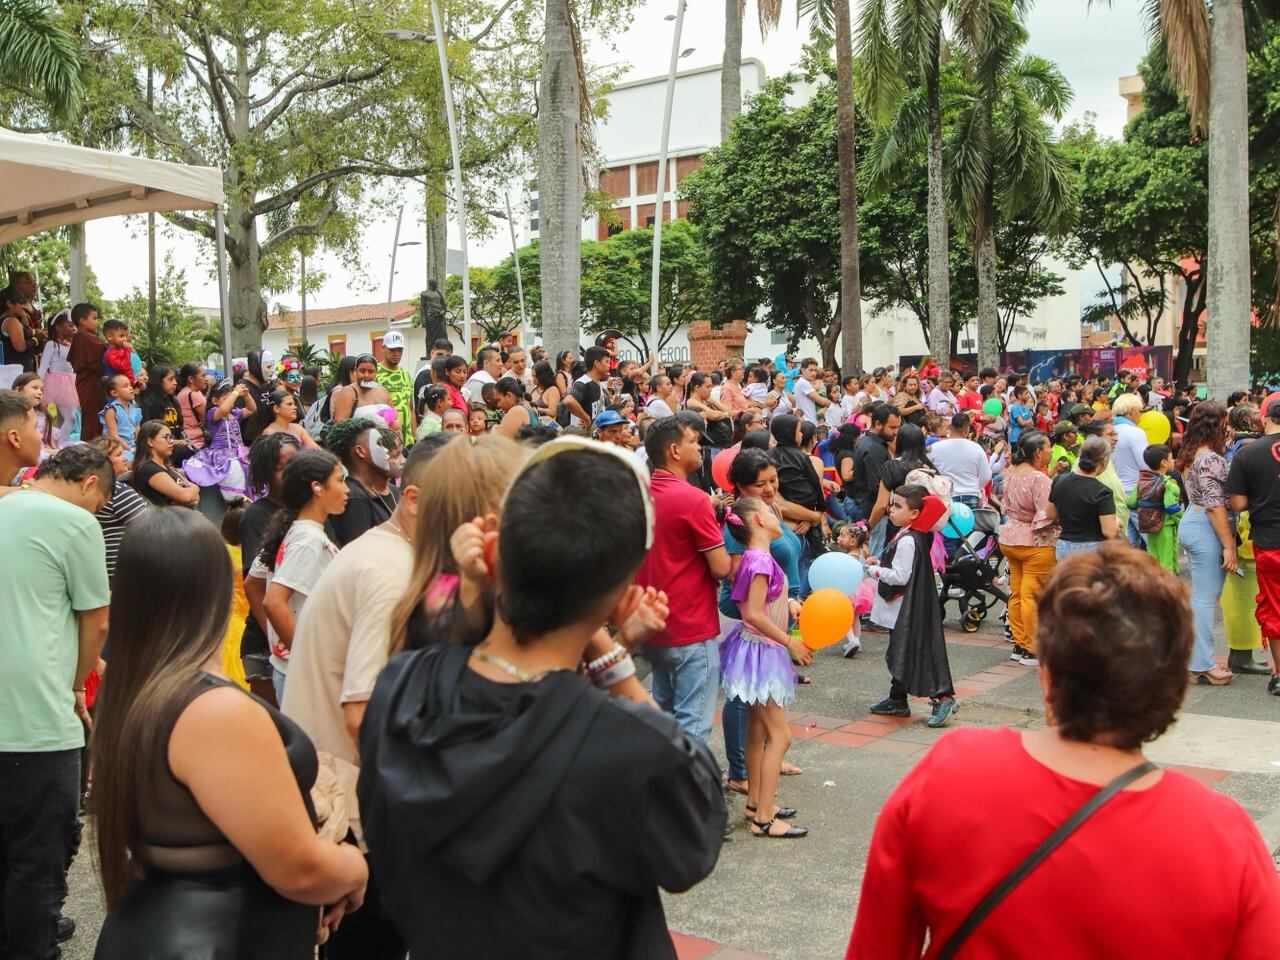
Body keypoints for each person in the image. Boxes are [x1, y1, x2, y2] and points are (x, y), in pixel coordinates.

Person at [358, 437, 724, 959]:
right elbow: (693, 834)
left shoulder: (403, 687)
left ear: (496, 554)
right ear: (622, 595)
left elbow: (425, 618)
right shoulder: (631, 745)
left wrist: (458, 578)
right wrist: (613, 659)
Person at [846, 542, 1280, 960]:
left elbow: (877, 946)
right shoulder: (1224, 838)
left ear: (1048, 674)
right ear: (1173, 687)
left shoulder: (950, 771)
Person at [91, 509, 368, 960]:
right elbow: (298, 867)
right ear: (217, 591)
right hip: (218, 937)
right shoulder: (211, 711)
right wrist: (354, 869)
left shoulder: (136, 690)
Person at [281, 444, 436, 960]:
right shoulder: (390, 573)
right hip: (358, 819)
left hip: (350, 806)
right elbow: (362, 713)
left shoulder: (391, 553)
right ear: (413, 498)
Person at [0, 444, 112, 958]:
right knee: (37, 865)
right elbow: (97, 620)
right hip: (37, 723)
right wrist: (75, 684)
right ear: (89, 482)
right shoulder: (74, 522)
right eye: (100, 503)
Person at [720, 496, 811, 839]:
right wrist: (790, 643)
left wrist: (787, 604)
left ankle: (758, 804)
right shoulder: (760, 560)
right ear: (758, 520)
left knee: (757, 732)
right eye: (770, 511)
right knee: (780, 735)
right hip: (763, 650)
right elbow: (754, 614)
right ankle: (763, 820)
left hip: (754, 649)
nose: (777, 514)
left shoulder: (755, 558)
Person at [635, 417, 731, 742]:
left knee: (661, 714)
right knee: (694, 723)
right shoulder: (693, 499)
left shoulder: (637, 494)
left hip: (651, 624)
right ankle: (686, 789)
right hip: (691, 625)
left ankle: (658, 785)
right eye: (693, 441)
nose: (700, 447)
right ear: (675, 450)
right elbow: (719, 567)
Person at [247, 449, 348, 703]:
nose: (346, 489)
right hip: (303, 675)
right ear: (317, 487)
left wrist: (276, 639)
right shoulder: (308, 540)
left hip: (289, 670)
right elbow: (273, 600)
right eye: (340, 480)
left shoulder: (294, 530)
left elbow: (253, 584)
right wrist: (305, 658)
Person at [866, 484, 957, 727]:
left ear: (915, 513)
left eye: (897, 506)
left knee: (912, 650)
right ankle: (897, 699)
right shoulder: (912, 533)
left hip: (906, 608)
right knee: (903, 649)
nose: (890, 509)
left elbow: (900, 576)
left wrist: (874, 570)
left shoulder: (908, 539)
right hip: (909, 606)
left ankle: (942, 697)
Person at [1176, 400, 1236, 686]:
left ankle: (1197, 660)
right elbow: (1214, 505)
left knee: (1201, 596)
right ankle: (1201, 662)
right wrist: (1229, 544)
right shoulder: (1209, 458)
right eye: (1224, 421)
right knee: (1205, 598)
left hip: (1194, 519)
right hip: (1205, 525)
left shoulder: (1192, 454)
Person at [240, 433, 301, 704]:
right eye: (281, 468)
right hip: (268, 647)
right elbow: (255, 584)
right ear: (266, 474)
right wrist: (277, 641)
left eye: (295, 463)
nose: (290, 473)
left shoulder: (311, 509)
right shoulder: (257, 515)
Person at [1228, 399, 1280, 692]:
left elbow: (1237, 502)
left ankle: (1279, 675)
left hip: (1270, 540)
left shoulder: (1249, 453)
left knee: (1274, 607)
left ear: (1265, 418)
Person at [998, 431, 1059, 666]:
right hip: (1035, 541)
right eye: (1048, 447)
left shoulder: (1010, 474)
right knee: (1032, 595)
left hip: (1011, 538)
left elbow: (1005, 504)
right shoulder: (1038, 478)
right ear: (1037, 452)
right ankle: (1032, 648)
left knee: (1016, 593)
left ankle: (1020, 643)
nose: (1050, 452)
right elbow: (1047, 513)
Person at [324, 417, 403, 547]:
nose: (386, 450)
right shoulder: (353, 498)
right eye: (379, 444)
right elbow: (360, 554)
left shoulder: (393, 490)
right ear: (360, 451)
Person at [182, 379, 257, 501]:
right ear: (214, 401)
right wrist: (234, 393)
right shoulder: (213, 413)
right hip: (220, 454)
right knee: (233, 470)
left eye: (231, 398)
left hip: (238, 452)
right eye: (225, 399)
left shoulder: (235, 413)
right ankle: (234, 500)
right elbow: (222, 410)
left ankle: (246, 499)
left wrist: (246, 395)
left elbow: (252, 409)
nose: (230, 401)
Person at [90, 436, 151, 584]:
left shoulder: (93, 490)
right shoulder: (116, 490)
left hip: (106, 570)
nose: (124, 459)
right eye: (118, 455)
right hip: (125, 572)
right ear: (104, 462)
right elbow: (150, 527)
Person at [1050, 435, 1119, 560]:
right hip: (1090, 549)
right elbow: (1109, 531)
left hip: (1063, 546)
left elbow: (1050, 515)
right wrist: (1117, 522)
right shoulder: (1102, 492)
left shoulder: (1059, 481)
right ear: (1103, 461)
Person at [852, 403, 901, 556]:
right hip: (876, 512)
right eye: (892, 428)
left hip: (871, 508)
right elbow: (877, 487)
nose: (895, 432)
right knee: (875, 558)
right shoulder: (874, 448)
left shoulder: (869, 441)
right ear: (878, 424)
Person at [1128, 443, 1182, 574]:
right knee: (1167, 561)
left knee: (1153, 559)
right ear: (1164, 462)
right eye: (1171, 458)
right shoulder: (1168, 484)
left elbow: (1130, 502)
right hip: (1165, 525)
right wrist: (1182, 520)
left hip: (1149, 526)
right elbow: (1171, 507)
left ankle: (1154, 587)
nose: (1173, 461)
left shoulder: (1142, 482)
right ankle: (1167, 589)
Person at [928, 412, 991, 511]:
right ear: (967, 429)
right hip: (970, 495)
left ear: (950, 427)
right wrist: (975, 487)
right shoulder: (976, 448)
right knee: (969, 526)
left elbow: (926, 470)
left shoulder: (935, 447)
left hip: (946, 495)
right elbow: (986, 476)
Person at [131, 420, 201, 508]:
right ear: (150, 441)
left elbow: (195, 498)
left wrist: (190, 493)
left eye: (171, 437)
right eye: (166, 437)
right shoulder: (148, 469)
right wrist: (195, 489)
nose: (172, 441)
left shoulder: (165, 465)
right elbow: (186, 497)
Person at [1111, 393, 1149, 545]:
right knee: (1152, 542)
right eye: (1139, 411)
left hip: (1114, 492)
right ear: (1131, 411)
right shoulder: (1135, 432)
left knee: (1127, 544)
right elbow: (1146, 464)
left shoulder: (1108, 431)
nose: (1140, 415)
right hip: (1134, 492)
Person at [67, 303, 105, 441]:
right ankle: (90, 450)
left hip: (91, 384)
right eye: (94, 318)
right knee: (92, 421)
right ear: (82, 321)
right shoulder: (83, 336)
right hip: (90, 386)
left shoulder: (83, 337)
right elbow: (104, 351)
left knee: (94, 421)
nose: (97, 322)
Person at [37, 309, 78, 437]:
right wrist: (38, 385)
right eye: (70, 325)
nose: (74, 328)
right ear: (58, 327)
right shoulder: (51, 344)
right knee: (70, 418)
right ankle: (62, 445)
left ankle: (60, 444)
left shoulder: (69, 345)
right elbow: (43, 367)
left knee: (62, 418)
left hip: (70, 382)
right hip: (57, 384)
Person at [330, 354, 396, 429]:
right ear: (355, 371)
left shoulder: (383, 391)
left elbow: (395, 420)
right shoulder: (348, 392)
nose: (366, 375)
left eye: (371, 372)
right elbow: (338, 428)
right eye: (362, 371)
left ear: (376, 372)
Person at [564, 345, 610, 428]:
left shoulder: (597, 383)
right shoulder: (583, 382)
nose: (609, 365)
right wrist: (586, 418)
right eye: (606, 361)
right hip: (583, 437)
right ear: (597, 363)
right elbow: (568, 400)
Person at [100, 372, 142, 455]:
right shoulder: (112, 410)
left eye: (130, 385)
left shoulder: (134, 409)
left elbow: (138, 433)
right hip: (116, 449)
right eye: (125, 386)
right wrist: (130, 450)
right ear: (114, 393)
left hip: (132, 449)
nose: (130, 388)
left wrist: (141, 448)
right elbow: (114, 436)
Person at [175, 361, 208, 449]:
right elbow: (212, 416)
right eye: (203, 375)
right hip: (196, 443)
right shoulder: (194, 394)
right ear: (191, 379)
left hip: (189, 440)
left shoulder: (184, 392)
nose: (206, 379)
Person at [793, 358, 830, 426]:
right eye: (811, 370)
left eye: (815, 370)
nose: (814, 373)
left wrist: (825, 407)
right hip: (808, 424)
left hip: (811, 423)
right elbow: (823, 401)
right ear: (802, 370)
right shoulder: (803, 383)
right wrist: (828, 402)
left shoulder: (806, 382)